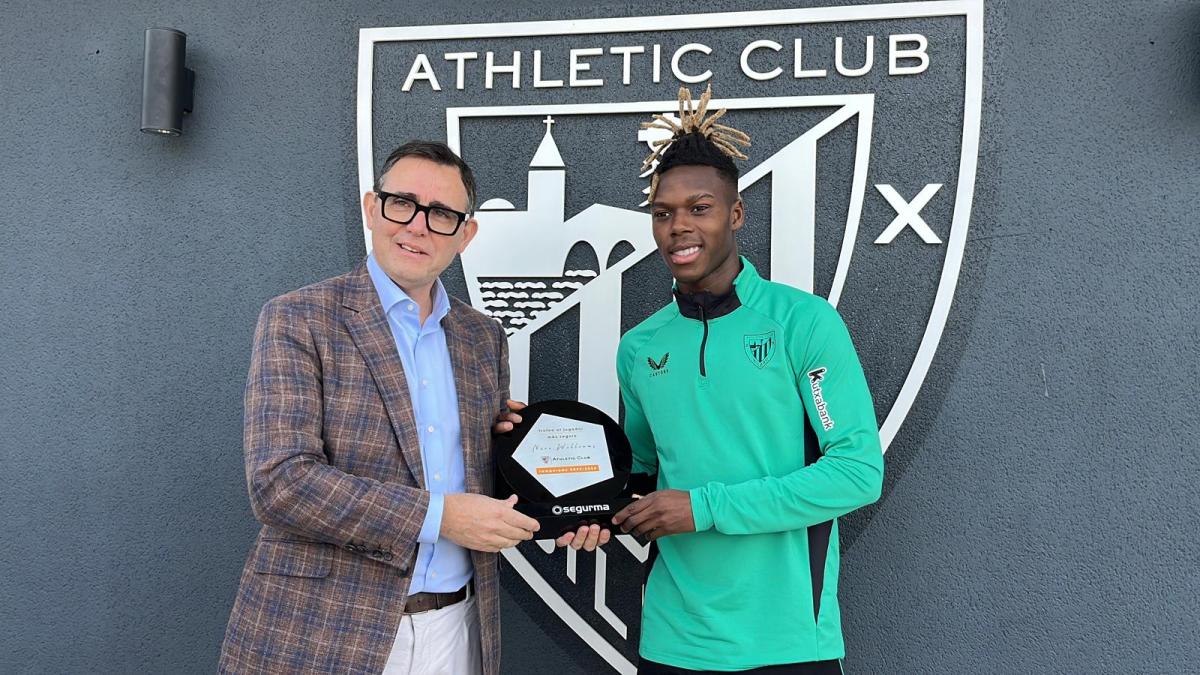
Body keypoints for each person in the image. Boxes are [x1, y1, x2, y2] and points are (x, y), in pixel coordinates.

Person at [502, 86, 884, 674]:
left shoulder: (802, 323)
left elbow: (856, 474)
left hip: (785, 642)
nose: (678, 226)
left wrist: (704, 508)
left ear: (735, 214)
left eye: (699, 208)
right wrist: (564, 493)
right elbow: (642, 476)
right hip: (672, 640)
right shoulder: (640, 347)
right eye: (662, 213)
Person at [218, 140, 599, 675]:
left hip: (459, 630)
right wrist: (440, 516)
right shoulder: (299, 319)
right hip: (325, 630)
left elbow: (487, 481)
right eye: (403, 203)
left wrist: (571, 508)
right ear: (373, 208)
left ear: (466, 235)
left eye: (442, 214)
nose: (418, 226)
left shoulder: (481, 337)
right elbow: (280, 483)